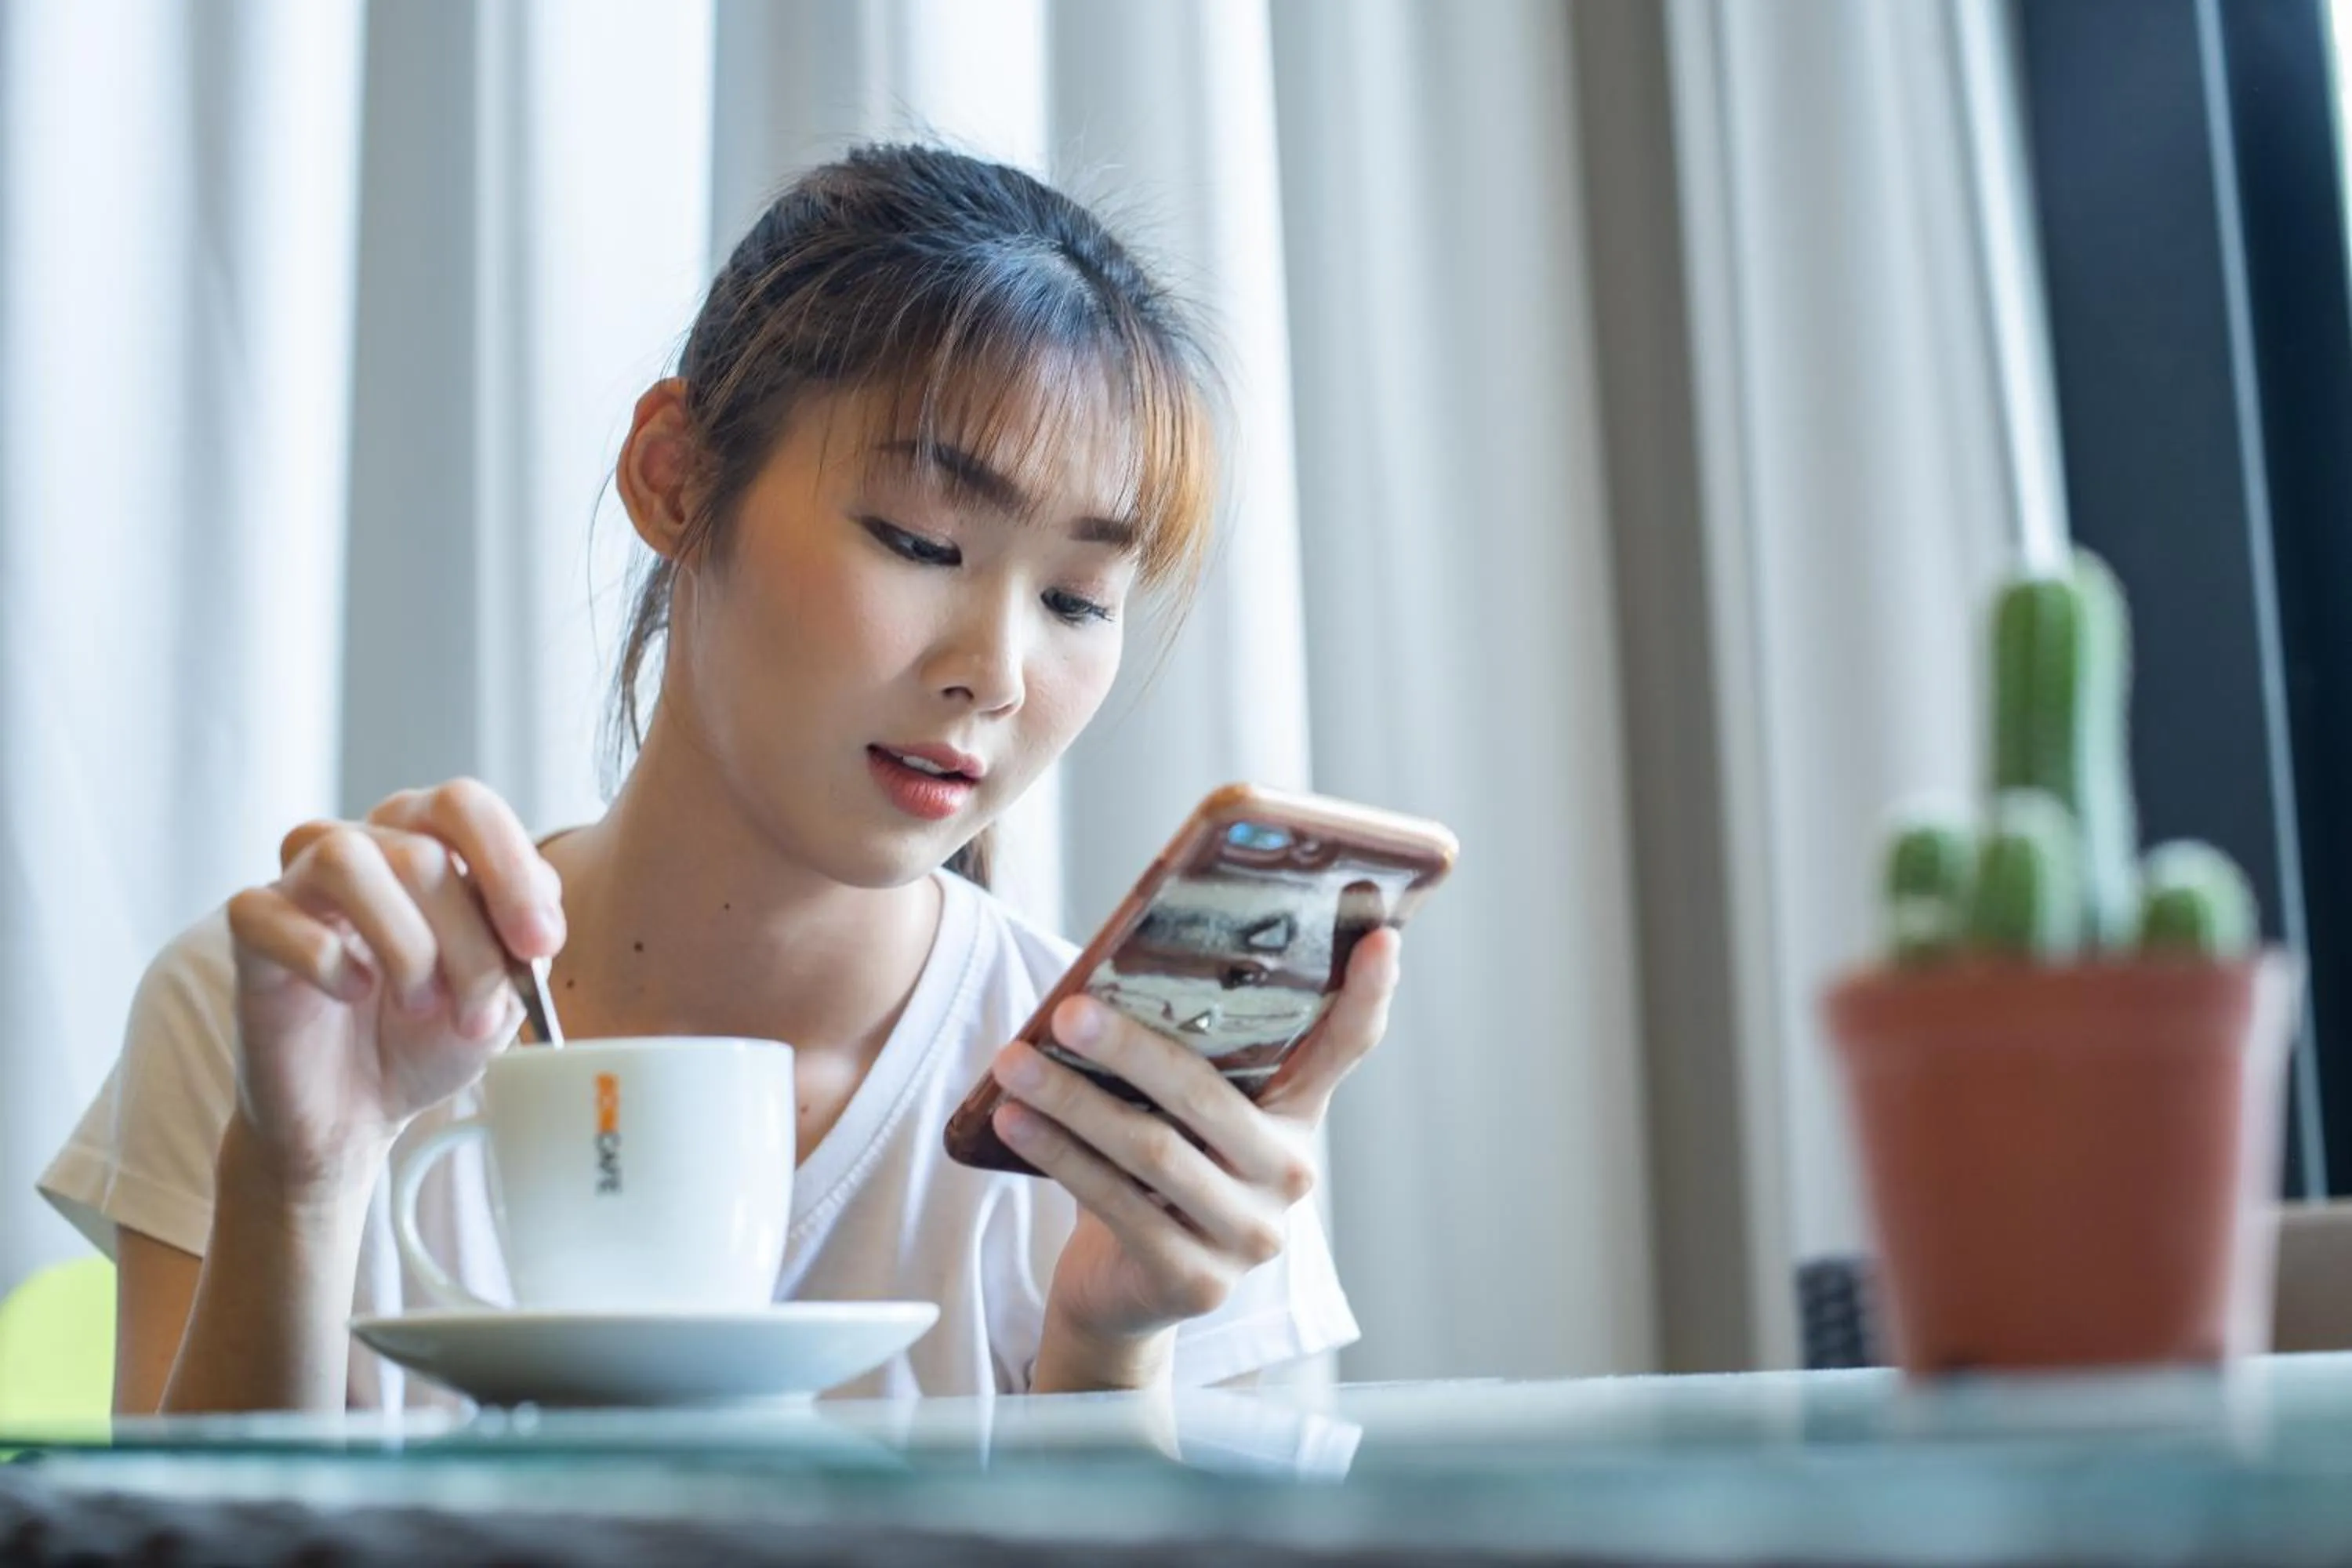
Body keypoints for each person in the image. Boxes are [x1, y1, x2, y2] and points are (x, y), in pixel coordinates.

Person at [37, 143, 1402, 1414]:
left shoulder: (1137, 1151)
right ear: (674, 477)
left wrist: (1107, 1347)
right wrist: (304, 1180)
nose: (995, 669)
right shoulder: (290, 1013)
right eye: (923, 542)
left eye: (1080, 600)